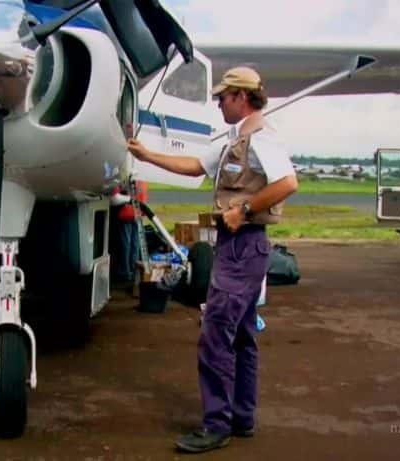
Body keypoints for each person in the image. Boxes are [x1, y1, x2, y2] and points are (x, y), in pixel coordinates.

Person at [127, 66, 298, 453]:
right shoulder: (236, 140)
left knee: (215, 336)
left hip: (242, 244)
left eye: (223, 96)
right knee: (240, 335)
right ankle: (241, 417)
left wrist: (245, 209)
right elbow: (195, 166)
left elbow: (287, 183)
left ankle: (216, 424)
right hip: (243, 247)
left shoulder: (260, 139)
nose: (218, 102)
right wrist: (146, 155)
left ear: (241, 97)